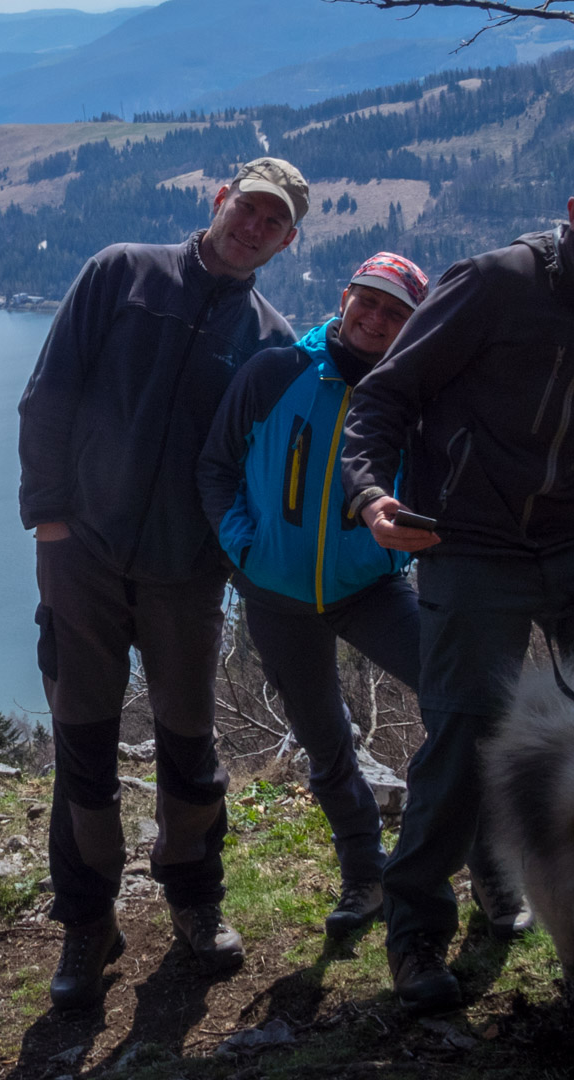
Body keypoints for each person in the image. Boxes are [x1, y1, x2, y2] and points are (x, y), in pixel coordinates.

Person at [341, 145, 574, 1014]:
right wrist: (371, 496)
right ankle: (417, 930)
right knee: (466, 735)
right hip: (467, 547)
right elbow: (385, 398)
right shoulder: (498, 282)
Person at [18, 156, 305, 1012]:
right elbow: (50, 395)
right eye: (248, 207)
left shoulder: (274, 344)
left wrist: (228, 558)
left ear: (287, 242)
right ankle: (87, 920)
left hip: (187, 575)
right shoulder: (122, 272)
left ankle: (192, 896)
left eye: (274, 223)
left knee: (189, 745)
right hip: (85, 558)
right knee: (84, 742)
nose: (254, 227)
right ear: (218, 199)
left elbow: (263, 478)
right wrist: (51, 520)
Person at [196, 252, 429, 938]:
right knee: (325, 744)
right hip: (277, 594)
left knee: (459, 693)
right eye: (370, 301)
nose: (376, 319)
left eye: (395, 312)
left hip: (371, 588)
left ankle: (475, 859)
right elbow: (215, 466)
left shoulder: (410, 396)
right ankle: (365, 876)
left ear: (410, 325)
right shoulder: (277, 372)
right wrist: (245, 550)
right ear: (345, 295)